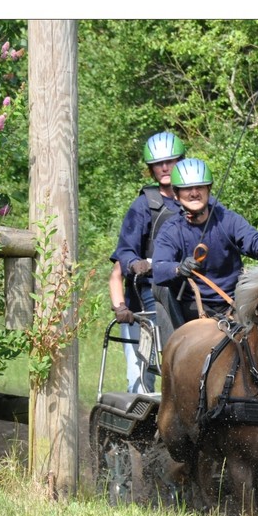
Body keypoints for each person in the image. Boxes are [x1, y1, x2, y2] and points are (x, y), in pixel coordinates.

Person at [152, 157, 258, 344]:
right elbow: (159, 269)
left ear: (208, 189)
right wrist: (179, 268)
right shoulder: (171, 230)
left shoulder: (228, 219)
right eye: (187, 189)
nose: (194, 193)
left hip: (237, 305)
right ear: (176, 195)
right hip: (193, 311)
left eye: (200, 187)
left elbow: (256, 242)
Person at [108, 131, 185, 393]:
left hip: (190, 289)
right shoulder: (143, 206)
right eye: (158, 163)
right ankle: (140, 422)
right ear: (151, 169)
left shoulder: (196, 201)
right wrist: (136, 265)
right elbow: (123, 257)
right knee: (140, 376)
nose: (164, 167)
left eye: (171, 161)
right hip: (148, 295)